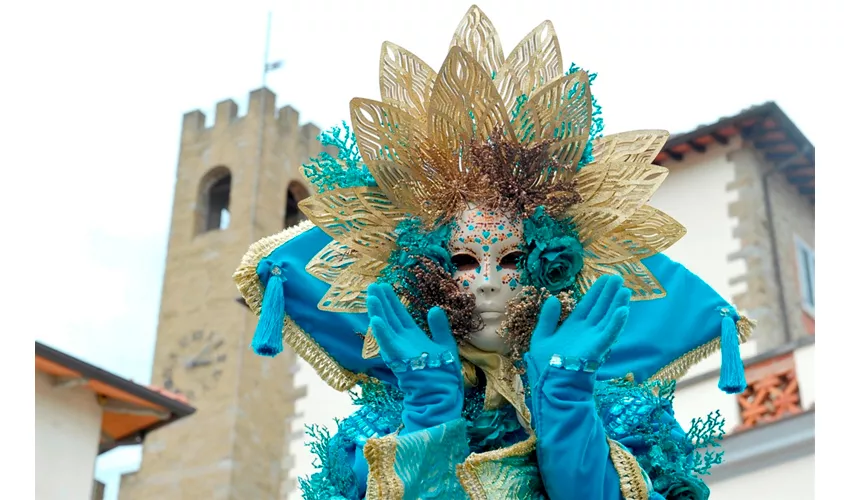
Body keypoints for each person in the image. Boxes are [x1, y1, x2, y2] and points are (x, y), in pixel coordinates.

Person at [233, 5, 755, 499]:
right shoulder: (376, 432)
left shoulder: (624, 420)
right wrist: (429, 412)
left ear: (557, 269)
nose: (485, 281)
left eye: (510, 260)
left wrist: (567, 402)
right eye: (462, 261)